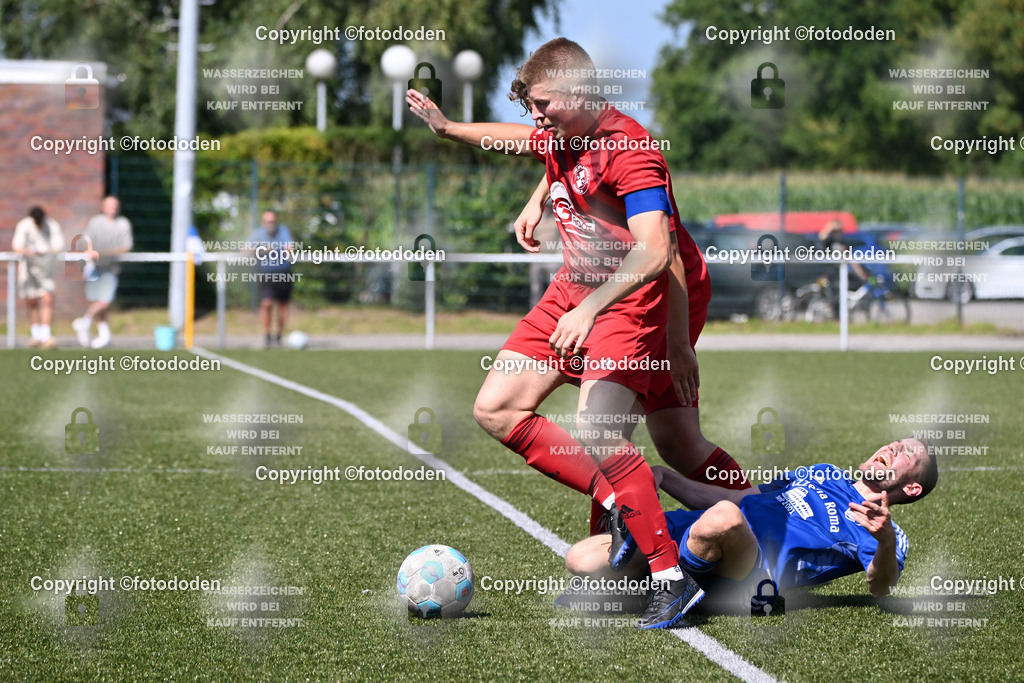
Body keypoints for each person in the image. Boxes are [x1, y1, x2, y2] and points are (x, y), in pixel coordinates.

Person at [408, 37, 715, 629]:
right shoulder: (563, 132)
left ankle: (670, 580)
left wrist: (595, 310)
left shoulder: (633, 151)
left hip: (629, 298)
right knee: (497, 407)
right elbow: (523, 141)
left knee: (608, 431)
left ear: (579, 91)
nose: (536, 116)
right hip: (574, 286)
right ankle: (624, 502)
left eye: (543, 103)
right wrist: (453, 133)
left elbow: (656, 251)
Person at [564, 438, 938, 612]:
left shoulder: (889, 533)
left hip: (755, 573)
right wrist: (665, 478)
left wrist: (885, 541)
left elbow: (881, 586)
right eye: (896, 442)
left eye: (906, 453)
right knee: (579, 558)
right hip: (707, 525)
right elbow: (745, 497)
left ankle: (679, 587)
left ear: (912, 486)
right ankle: (668, 579)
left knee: (724, 518)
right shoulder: (822, 472)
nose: (892, 447)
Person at [72, 196, 133, 349]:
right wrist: (90, 253)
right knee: (97, 301)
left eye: (115, 205)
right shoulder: (96, 222)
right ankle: (104, 334)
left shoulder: (123, 223)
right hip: (94, 268)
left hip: (111, 269)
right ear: (103, 207)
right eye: (109, 205)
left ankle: (84, 323)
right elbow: (86, 241)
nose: (113, 208)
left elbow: (125, 247)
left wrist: (102, 253)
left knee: (105, 301)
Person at [11, 206, 65, 348]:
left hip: (46, 268)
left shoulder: (52, 225)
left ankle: (46, 336)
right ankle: (36, 335)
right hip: (28, 268)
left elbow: (58, 245)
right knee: (32, 301)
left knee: (48, 299)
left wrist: (45, 252)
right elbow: (17, 247)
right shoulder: (24, 225)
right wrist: (29, 252)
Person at [247, 210, 294, 348]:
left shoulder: (283, 231)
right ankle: (267, 336)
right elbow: (246, 249)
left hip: (284, 272)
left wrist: (283, 250)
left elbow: (289, 248)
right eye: (267, 221)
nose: (270, 224)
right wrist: (262, 250)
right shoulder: (258, 233)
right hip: (266, 273)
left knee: (283, 305)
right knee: (266, 303)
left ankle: (279, 336)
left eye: (272, 221)